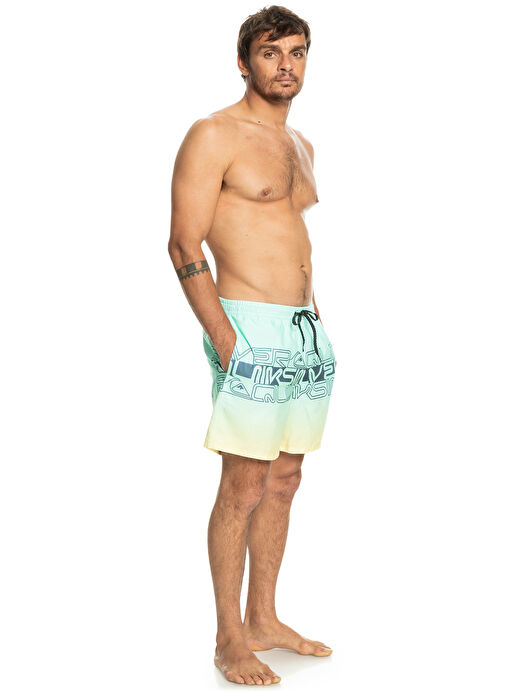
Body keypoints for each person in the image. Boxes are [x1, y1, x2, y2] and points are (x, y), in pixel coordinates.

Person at [168, 5, 337, 686]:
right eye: (271, 53)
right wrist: (222, 335)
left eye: (296, 52)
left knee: (285, 479)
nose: (285, 65)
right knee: (242, 484)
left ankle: (263, 618)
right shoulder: (213, 134)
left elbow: (291, 241)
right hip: (246, 326)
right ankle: (228, 639)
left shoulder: (301, 146)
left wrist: (315, 321)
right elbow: (184, 242)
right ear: (244, 63)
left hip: (303, 330)